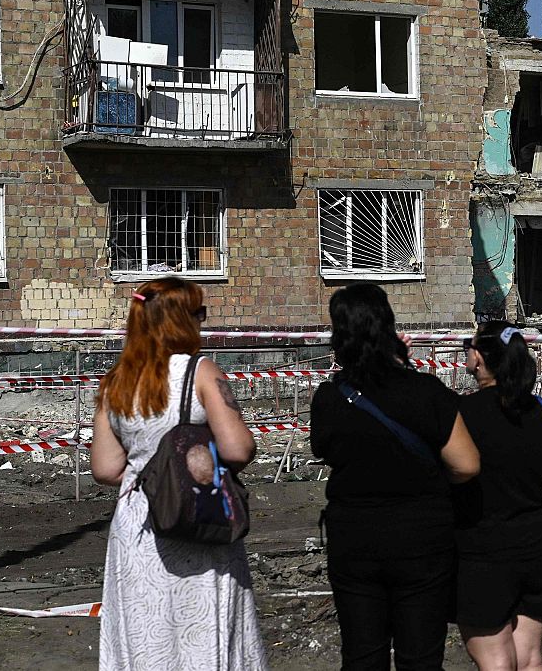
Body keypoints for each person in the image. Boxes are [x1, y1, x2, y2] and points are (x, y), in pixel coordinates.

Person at [90, 276, 267, 670]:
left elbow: (105, 468)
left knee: (145, 635)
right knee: (206, 630)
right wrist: (190, 468)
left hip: (140, 526)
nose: (203, 320)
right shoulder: (202, 371)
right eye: (199, 312)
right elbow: (240, 448)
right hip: (198, 516)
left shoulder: (115, 381)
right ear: (183, 321)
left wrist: (153, 476)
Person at [310, 283, 480, 671]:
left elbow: (322, 449)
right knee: (420, 656)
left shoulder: (329, 398)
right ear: (389, 326)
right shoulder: (425, 391)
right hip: (422, 537)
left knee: (361, 654)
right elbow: (466, 464)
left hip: (354, 538)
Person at [454, 321, 542, 671]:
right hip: (536, 546)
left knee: (494, 658)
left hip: (480, 549)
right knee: (529, 658)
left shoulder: (462, 415)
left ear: (478, 358)